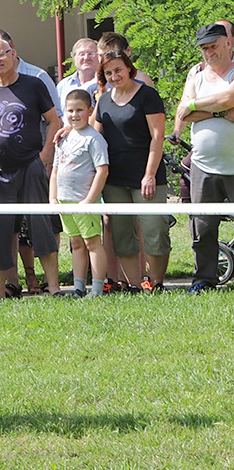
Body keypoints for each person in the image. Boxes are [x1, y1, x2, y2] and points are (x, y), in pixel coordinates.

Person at [0, 36, 62, 300]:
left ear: (13, 53)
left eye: (1, 54)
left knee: (41, 226)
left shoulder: (33, 85)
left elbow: (53, 121)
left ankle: (53, 287)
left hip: (30, 167)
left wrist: (44, 156)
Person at [93, 50, 169, 291]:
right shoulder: (103, 100)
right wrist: (68, 132)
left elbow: (157, 137)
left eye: (118, 70)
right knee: (123, 235)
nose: (114, 76)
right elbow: (93, 135)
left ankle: (155, 284)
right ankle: (136, 285)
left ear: (129, 68)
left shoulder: (147, 96)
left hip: (147, 177)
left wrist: (149, 174)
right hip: (115, 180)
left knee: (154, 231)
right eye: (108, 72)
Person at [175, 23, 234, 293]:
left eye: (213, 46)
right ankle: (203, 279)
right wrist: (220, 110)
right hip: (204, 165)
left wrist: (199, 106)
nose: (209, 52)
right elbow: (183, 111)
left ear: (228, 43)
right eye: (204, 48)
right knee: (202, 227)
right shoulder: (196, 74)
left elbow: (229, 98)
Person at [49, 89, 109, 298]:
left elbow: (102, 170)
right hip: (65, 201)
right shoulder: (63, 137)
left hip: (84, 201)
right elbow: (56, 169)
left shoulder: (94, 139)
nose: (74, 115)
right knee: (76, 243)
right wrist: (53, 198)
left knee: (92, 242)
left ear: (90, 110)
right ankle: (78, 287)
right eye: (70, 110)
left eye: (79, 110)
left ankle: (98, 288)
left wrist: (90, 199)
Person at [56, 38, 98, 112]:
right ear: (74, 58)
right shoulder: (63, 86)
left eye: (91, 54)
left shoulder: (107, 84)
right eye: (82, 54)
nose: (86, 58)